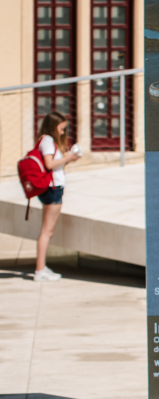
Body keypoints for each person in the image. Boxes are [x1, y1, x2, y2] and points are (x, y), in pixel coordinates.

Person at [32, 111, 81, 281]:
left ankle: (42, 268)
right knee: (47, 231)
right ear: (53, 127)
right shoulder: (47, 141)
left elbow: (54, 165)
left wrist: (68, 159)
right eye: (61, 129)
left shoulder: (47, 141)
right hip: (52, 189)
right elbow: (49, 164)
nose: (62, 132)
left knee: (48, 230)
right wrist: (68, 157)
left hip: (53, 188)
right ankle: (40, 270)